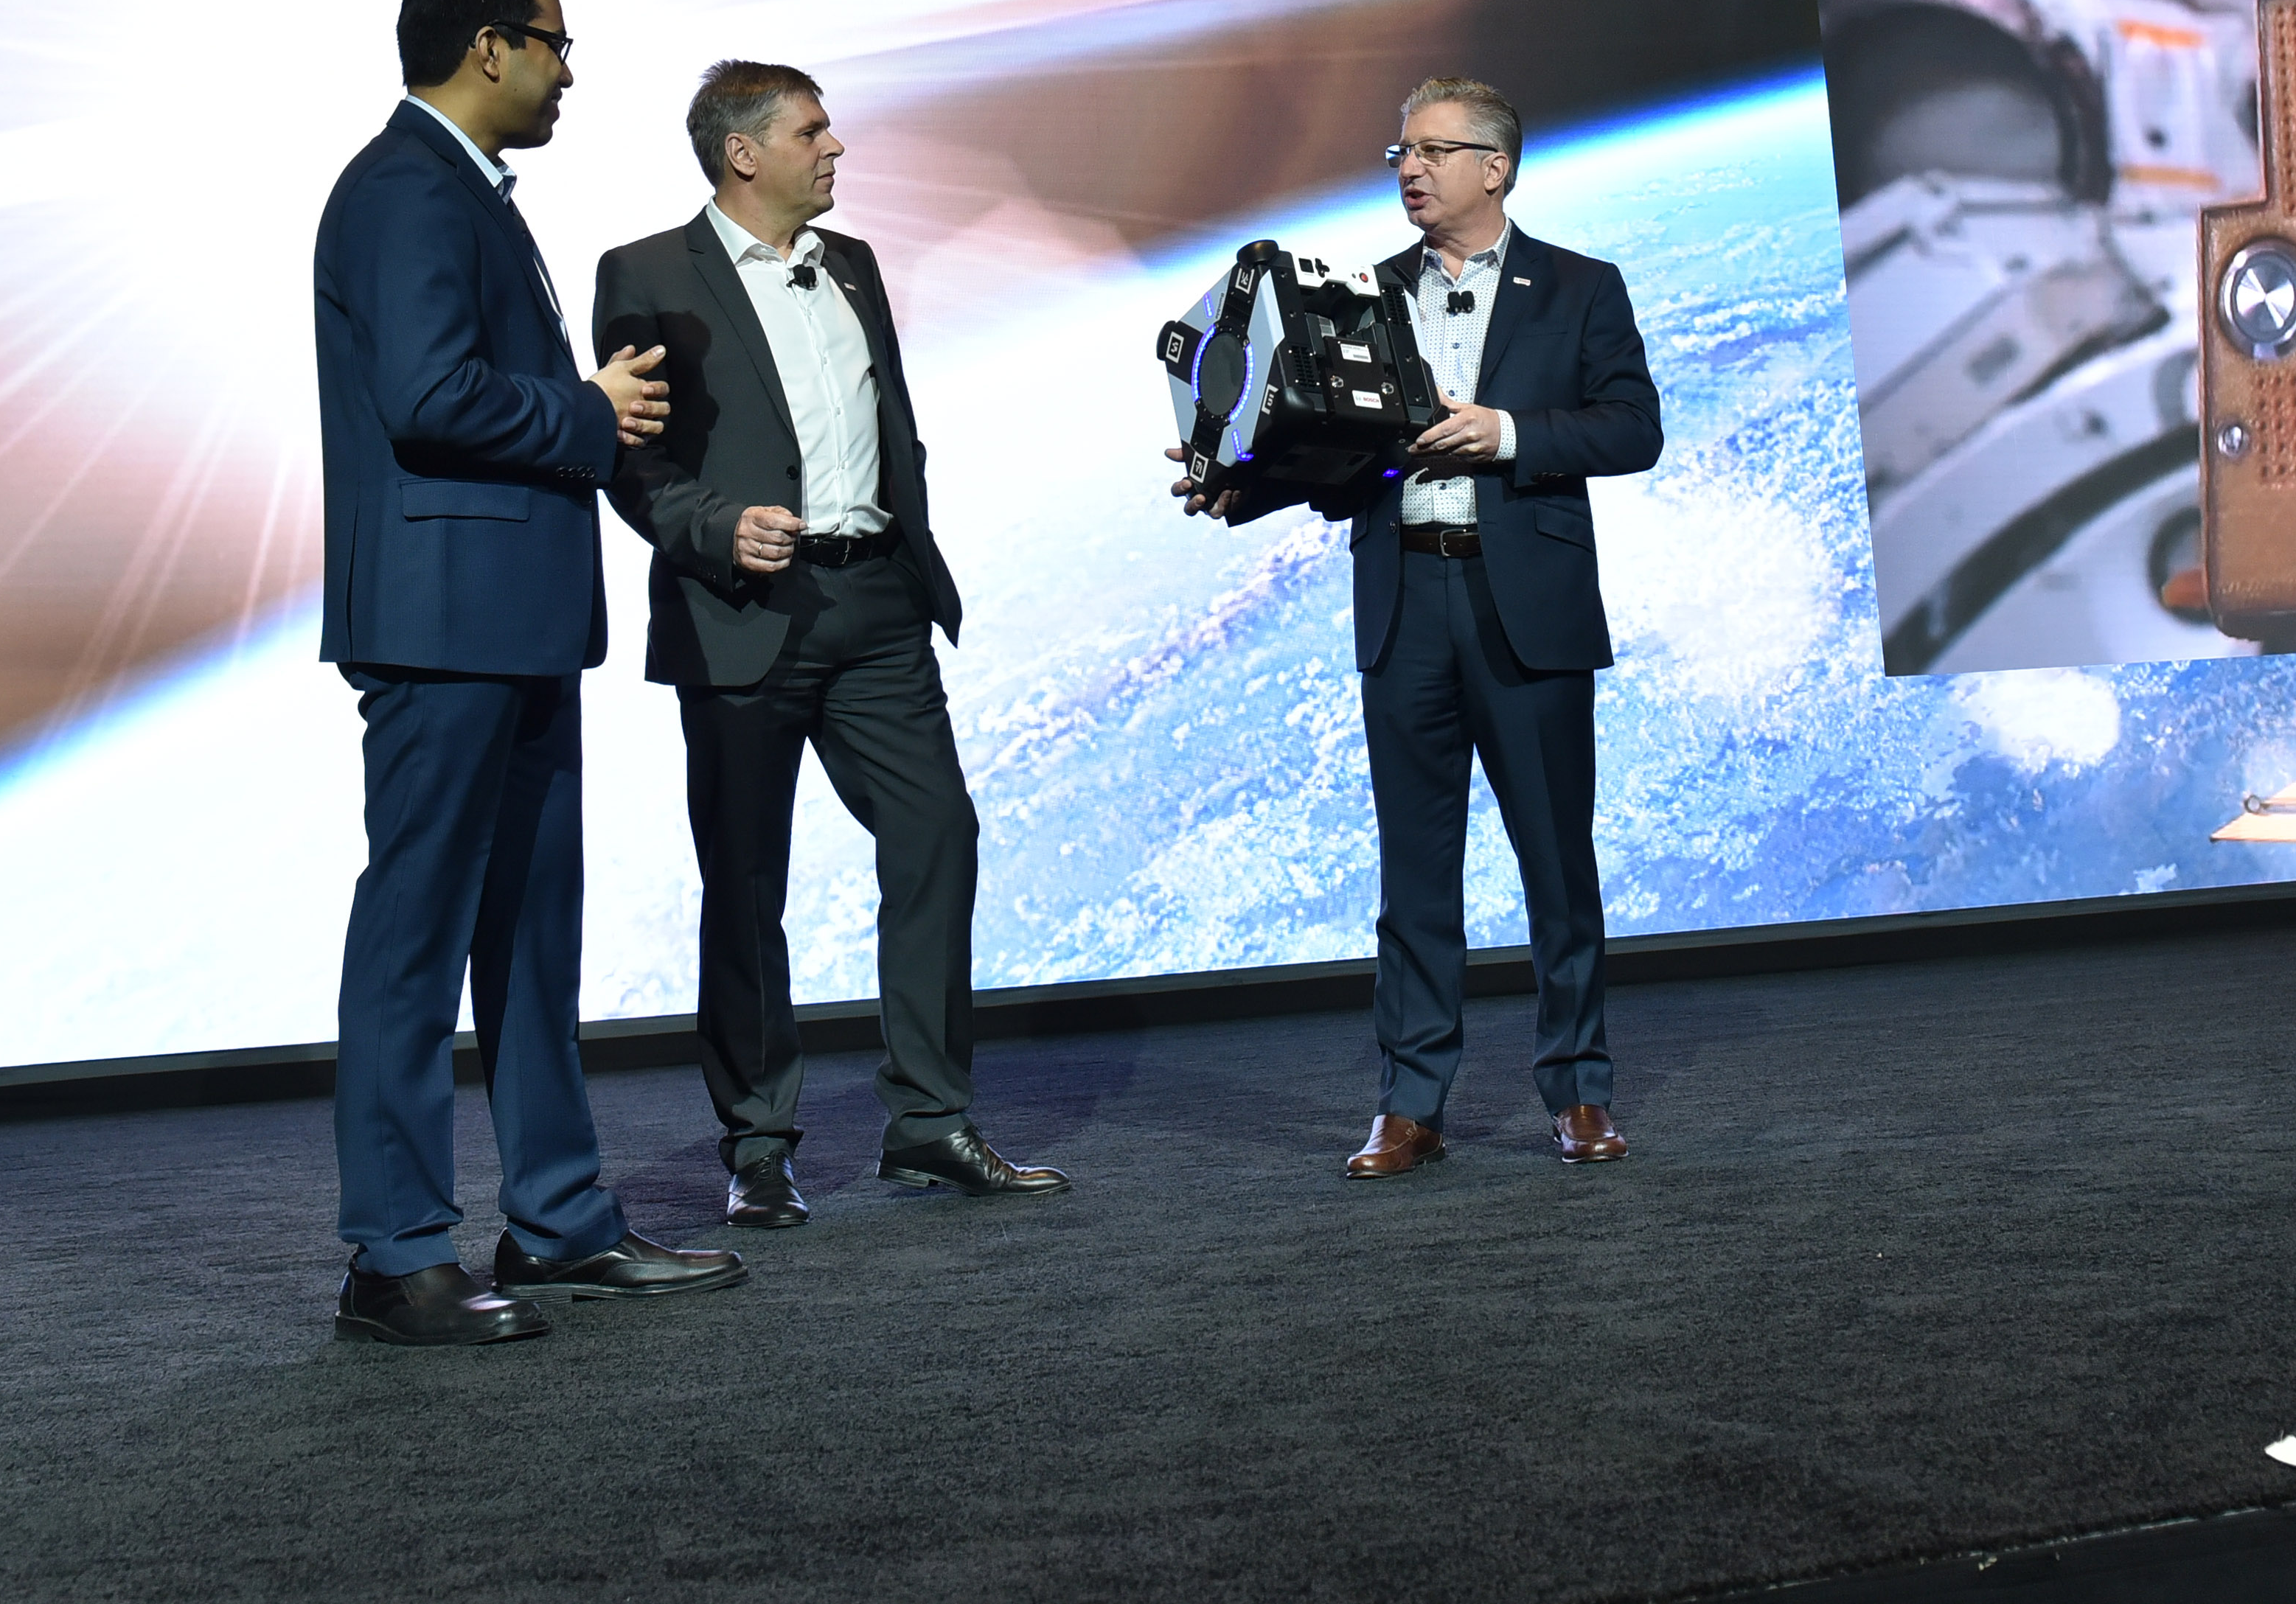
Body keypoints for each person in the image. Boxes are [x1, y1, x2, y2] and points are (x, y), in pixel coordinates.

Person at [311, 0, 748, 1345]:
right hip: (442, 628)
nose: (569, 72)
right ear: (489, 47)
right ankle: (395, 1255)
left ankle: (559, 1221)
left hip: (511, 623)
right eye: (556, 44)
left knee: (532, 939)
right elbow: (429, 394)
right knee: (417, 940)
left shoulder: (468, 192)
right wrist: (589, 409)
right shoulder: (404, 189)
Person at [591, 62, 1065, 1225]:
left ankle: (930, 1120)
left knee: (937, 832)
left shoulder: (849, 262)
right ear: (743, 152)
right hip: (742, 613)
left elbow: (889, 423)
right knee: (747, 880)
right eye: (812, 131)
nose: (835, 147)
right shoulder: (645, 273)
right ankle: (759, 1142)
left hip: (878, 606)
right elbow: (631, 456)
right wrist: (716, 527)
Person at [1166, 75, 1662, 1176]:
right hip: (1406, 605)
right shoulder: (1362, 295)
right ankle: (1411, 1103)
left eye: (1434, 150)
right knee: (1415, 872)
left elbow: (1634, 427)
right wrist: (1236, 485)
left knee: (1557, 864)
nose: (1410, 169)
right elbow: (1330, 449)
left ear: (1497, 167)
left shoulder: (1579, 286)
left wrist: (1507, 433)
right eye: (1402, 152)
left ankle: (1580, 1091)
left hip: (1525, 606)